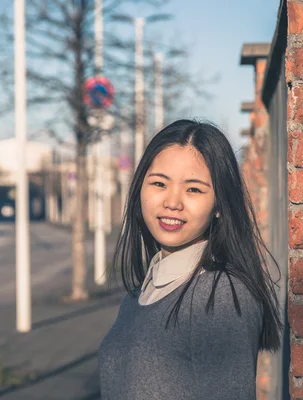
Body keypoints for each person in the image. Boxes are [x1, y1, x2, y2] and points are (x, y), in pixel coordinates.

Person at [99, 119, 282, 400]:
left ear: (219, 204)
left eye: (193, 189)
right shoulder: (138, 296)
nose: (173, 202)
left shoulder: (221, 296)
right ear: (139, 191)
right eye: (159, 183)